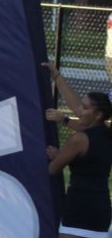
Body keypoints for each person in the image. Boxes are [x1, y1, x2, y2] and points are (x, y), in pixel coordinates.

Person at [46, 62, 112, 238]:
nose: (80, 110)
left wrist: (59, 155)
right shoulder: (106, 134)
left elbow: (52, 169)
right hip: (102, 208)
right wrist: (57, 76)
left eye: (85, 107)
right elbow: (80, 110)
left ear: (98, 114)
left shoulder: (80, 139)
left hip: (80, 206)